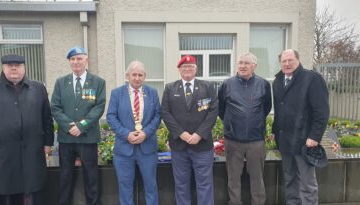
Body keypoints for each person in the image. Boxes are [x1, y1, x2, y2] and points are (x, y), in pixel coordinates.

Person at [0, 54, 54, 205]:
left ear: (24, 68)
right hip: (3, 155)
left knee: (33, 188)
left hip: (33, 152)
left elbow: (47, 119)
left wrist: (48, 142)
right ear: (3, 68)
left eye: (18, 65)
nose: (13, 68)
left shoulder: (38, 89)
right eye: (9, 65)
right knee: (6, 190)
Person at [272, 49, 329, 205]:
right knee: (290, 180)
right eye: (284, 61)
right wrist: (274, 131)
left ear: (298, 60)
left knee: (307, 184)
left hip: (305, 141)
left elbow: (322, 111)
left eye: (290, 60)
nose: (287, 63)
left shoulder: (312, 79)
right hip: (285, 140)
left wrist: (315, 136)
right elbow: (278, 110)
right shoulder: (277, 81)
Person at [51, 46, 106, 205]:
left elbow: (99, 107)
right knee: (65, 177)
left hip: (88, 138)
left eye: (79, 58)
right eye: (72, 59)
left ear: (86, 60)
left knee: (91, 177)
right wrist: (69, 125)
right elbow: (55, 107)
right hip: (66, 139)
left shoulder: (98, 82)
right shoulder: (61, 82)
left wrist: (81, 126)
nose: (76, 62)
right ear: (69, 62)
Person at [161, 55, 218, 205]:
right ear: (179, 70)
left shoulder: (207, 87)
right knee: (181, 185)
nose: (187, 69)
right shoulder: (170, 88)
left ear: (196, 69)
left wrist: (199, 134)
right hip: (179, 146)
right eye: (184, 67)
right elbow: (165, 113)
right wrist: (181, 133)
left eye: (190, 66)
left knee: (205, 185)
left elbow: (213, 112)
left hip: (202, 145)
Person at [218, 52, 271, 205]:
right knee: (233, 178)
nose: (242, 66)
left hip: (256, 141)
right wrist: (231, 124)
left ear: (254, 66)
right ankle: (235, 202)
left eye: (246, 63)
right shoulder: (227, 84)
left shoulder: (263, 84)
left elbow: (266, 107)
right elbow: (221, 109)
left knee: (257, 178)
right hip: (233, 140)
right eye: (240, 62)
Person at [107, 60, 161, 205]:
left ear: (145, 76)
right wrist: (126, 134)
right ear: (127, 76)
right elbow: (111, 117)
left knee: (151, 186)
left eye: (140, 75)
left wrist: (146, 133)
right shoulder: (117, 93)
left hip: (147, 148)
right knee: (125, 187)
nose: (137, 78)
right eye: (134, 74)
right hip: (124, 150)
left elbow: (157, 116)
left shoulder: (152, 93)